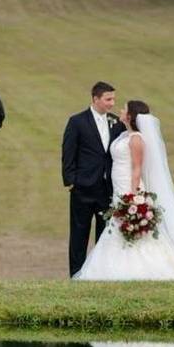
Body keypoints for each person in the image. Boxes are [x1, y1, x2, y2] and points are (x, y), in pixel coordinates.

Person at [73, 100, 174, 280]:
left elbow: (137, 168)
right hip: (117, 187)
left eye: (124, 109)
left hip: (128, 188)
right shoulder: (124, 136)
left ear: (130, 116)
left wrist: (132, 196)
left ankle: (135, 267)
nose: (120, 110)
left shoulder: (136, 139)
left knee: (123, 227)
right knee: (116, 226)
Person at [62, 81, 126, 276]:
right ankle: (76, 274)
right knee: (79, 234)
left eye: (113, 99)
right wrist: (71, 180)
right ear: (95, 99)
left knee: (104, 235)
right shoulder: (77, 121)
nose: (111, 103)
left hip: (107, 189)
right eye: (108, 99)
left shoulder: (116, 122)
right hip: (82, 188)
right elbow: (68, 152)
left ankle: (99, 274)